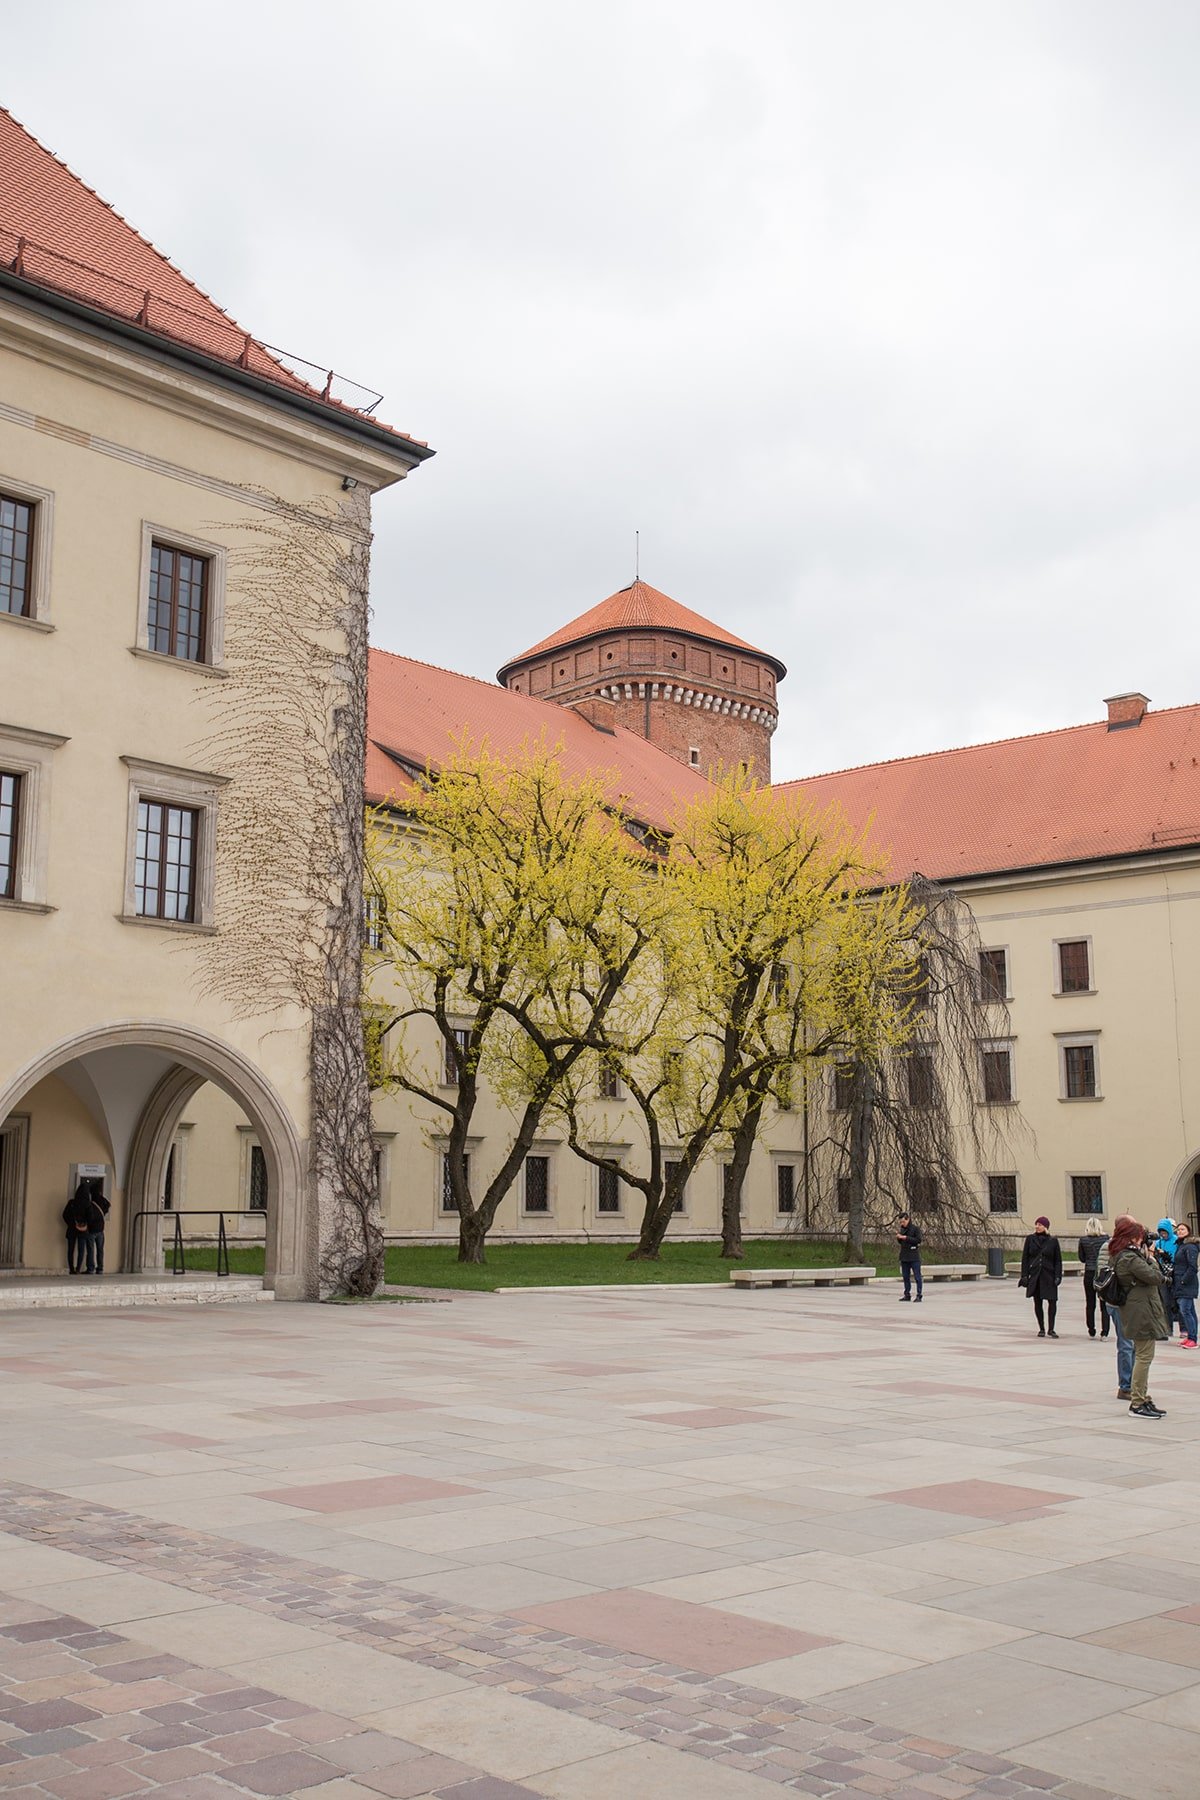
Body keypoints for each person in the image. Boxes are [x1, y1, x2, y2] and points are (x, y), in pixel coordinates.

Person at [1109, 1215, 1169, 1417]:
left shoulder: (1125, 1254)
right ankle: (1137, 1402)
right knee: (1144, 1356)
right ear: (1130, 1237)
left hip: (1140, 1309)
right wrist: (1151, 1258)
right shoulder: (1128, 1257)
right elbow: (1155, 1277)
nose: (1140, 1239)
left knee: (1144, 1355)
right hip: (1140, 1312)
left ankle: (1143, 1397)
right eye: (1138, 1236)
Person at [1019, 1216, 1063, 1337]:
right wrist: (1024, 1275)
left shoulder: (1053, 1241)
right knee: (1037, 1302)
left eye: (1040, 1224)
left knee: (1052, 1302)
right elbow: (1025, 1258)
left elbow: (1058, 1260)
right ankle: (1041, 1328)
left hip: (1049, 1275)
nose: (1037, 1226)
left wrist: (1058, 1276)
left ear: (1046, 1227)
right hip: (1036, 1275)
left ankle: (1051, 1328)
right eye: (1036, 1224)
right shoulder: (1030, 1239)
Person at [61, 1182, 105, 1275]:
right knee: (81, 1250)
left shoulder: (71, 1202)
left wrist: (72, 1224)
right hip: (83, 1230)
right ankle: (78, 1269)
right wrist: (85, 1225)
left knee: (70, 1250)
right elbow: (91, 1217)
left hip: (71, 1229)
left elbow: (64, 1215)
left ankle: (71, 1269)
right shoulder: (87, 1204)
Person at [1078, 1217, 1110, 1339]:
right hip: (1102, 1272)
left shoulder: (1083, 1240)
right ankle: (1105, 1331)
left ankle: (1091, 1329)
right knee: (1104, 1303)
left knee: (1090, 1303)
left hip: (1089, 1271)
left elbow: (1081, 1258)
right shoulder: (1106, 1239)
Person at [1171, 1221, 1199, 1349]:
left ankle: (1193, 1338)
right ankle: (1191, 1336)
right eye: (1178, 1229)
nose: (1180, 1231)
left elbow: (1193, 1267)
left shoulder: (1190, 1246)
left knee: (1185, 1310)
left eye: (1183, 1229)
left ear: (1188, 1231)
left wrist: (1183, 1280)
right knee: (1189, 1310)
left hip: (1186, 1283)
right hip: (1179, 1281)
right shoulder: (1180, 1245)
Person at [1153, 1219, 1178, 1337]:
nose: (1163, 1234)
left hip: (1174, 1273)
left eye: (1165, 1232)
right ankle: (1168, 1328)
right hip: (1163, 1274)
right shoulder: (1159, 1242)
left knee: (1177, 1302)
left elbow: (1176, 1257)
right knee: (1165, 1302)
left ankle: (1183, 1327)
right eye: (1161, 1232)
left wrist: (1167, 1255)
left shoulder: (1176, 1241)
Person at [896, 1212, 923, 1302]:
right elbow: (901, 1242)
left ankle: (919, 1294)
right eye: (900, 1222)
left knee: (917, 1276)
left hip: (914, 1256)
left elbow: (918, 1240)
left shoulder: (915, 1229)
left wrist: (905, 1238)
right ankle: (907, 1294)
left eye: (903, 1222)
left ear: (908, 1219)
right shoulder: (902, 1229)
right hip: (904, 1256)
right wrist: (899, 1238)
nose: (902, 1224)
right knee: (905, 1276)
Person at [87, 1177, 110, 1275]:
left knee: (91, 1249)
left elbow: (89, 1214)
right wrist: (103, 1213)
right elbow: (108, 1205)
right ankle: (100, 1268)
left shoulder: (91, 1202)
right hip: (101, 1228)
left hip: (92, 1229)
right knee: (100, 1250)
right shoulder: (102, 1199)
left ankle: (91, 1268)